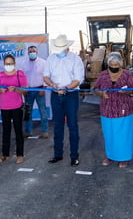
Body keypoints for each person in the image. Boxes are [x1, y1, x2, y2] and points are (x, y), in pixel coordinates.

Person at [43, 34, 84, 167]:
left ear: (66, 47)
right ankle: (58, 154)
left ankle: (74, 156)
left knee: (72, 126)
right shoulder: (51, 58)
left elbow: (78, 79)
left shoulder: (75, 59)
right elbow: (46, 76)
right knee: (58, 126)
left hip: (71, 95)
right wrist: (52, 85)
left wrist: (66, 88)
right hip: (56, 95)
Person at [94, 52, 133, 168]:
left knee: (123, 135)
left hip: (123, 109)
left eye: (116, 65)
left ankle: (124, 158)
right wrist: (101, 93)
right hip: (107, 110)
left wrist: (126, 91)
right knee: (109, 134)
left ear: (121, 64)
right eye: (111, 64)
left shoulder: (126, 74)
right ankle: (110, 156)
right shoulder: (103, 75)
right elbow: (95, 89)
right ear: (108, 64)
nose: (113, 67)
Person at [0, 54, 28, 164]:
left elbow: (26, 91)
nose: (8, 65)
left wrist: (16, 90)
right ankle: (5, 154)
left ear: (14, 63)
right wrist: (0, 91)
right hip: (4, 107)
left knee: (18, 131)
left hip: (17, 106)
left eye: (10, 63)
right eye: (6, 64)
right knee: (6, 131)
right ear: (4, 64)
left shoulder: (20, 74)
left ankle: (20, 155)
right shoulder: (0, 75)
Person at [20, 45, 49, 139]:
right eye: (30, 51)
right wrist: (23, 89)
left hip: (40, 89)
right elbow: (22, 77)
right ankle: (28, 131)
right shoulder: (24, 64)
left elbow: (46, 76)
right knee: (27, 112)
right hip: (28, 90)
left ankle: (45, 131)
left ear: (37, 52)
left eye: (34, 51)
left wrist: (44, 88)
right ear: (28, 53)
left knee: (43, 111)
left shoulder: (43, 63)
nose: (32, 52)